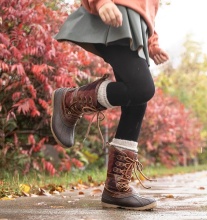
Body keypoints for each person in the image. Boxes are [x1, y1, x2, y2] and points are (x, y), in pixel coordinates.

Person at [51, 0, 169, 211]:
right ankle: (70, 101)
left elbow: (147, 7)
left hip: (135, 24)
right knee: (142, 89)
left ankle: (116, 188)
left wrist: (152, 43)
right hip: (115, 13)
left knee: (137, 101)